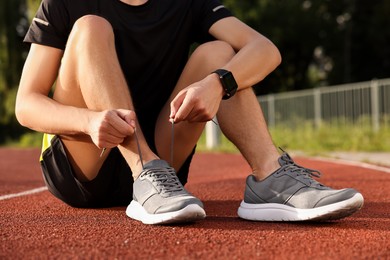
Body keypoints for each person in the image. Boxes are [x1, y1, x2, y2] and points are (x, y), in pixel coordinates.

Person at [16, 0, 364, 225]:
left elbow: (264, 49)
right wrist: (88, 121)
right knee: (91, 26)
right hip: (85, 163)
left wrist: (218, 84)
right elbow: (26, 104)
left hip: (167, 175)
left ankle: (270, 176)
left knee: (219, 54)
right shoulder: (64, 2)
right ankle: (143, 170)